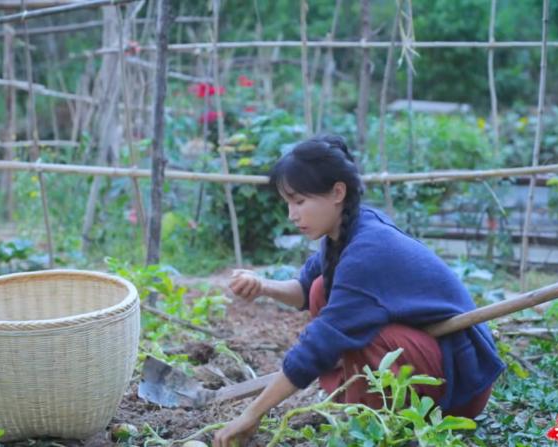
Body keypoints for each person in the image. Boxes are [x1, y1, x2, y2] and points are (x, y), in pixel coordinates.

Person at [212, 135, 506, 447]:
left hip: (460, 385)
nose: (292, 215)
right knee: (319, 290)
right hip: (432, 355)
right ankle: (366, 398)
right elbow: (302, 290)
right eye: (288, 203)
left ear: (337, 192)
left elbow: (320, 344)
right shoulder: (344, 232)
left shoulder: (368, 250)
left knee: (356, 335)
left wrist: (251, 414)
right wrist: (263, 286)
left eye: (299, 202)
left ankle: (383, 425)